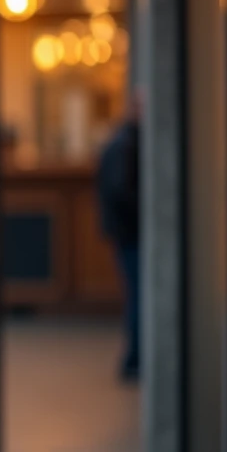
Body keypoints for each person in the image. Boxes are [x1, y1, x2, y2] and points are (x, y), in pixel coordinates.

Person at [97, 92, 142, 381]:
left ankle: (135, 356)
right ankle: (134, 358)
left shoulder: (126, 141)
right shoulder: (125, 144)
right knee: (138, 295)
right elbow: (119, 191)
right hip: (130, 232)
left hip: (125, 231)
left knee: (136, 293)